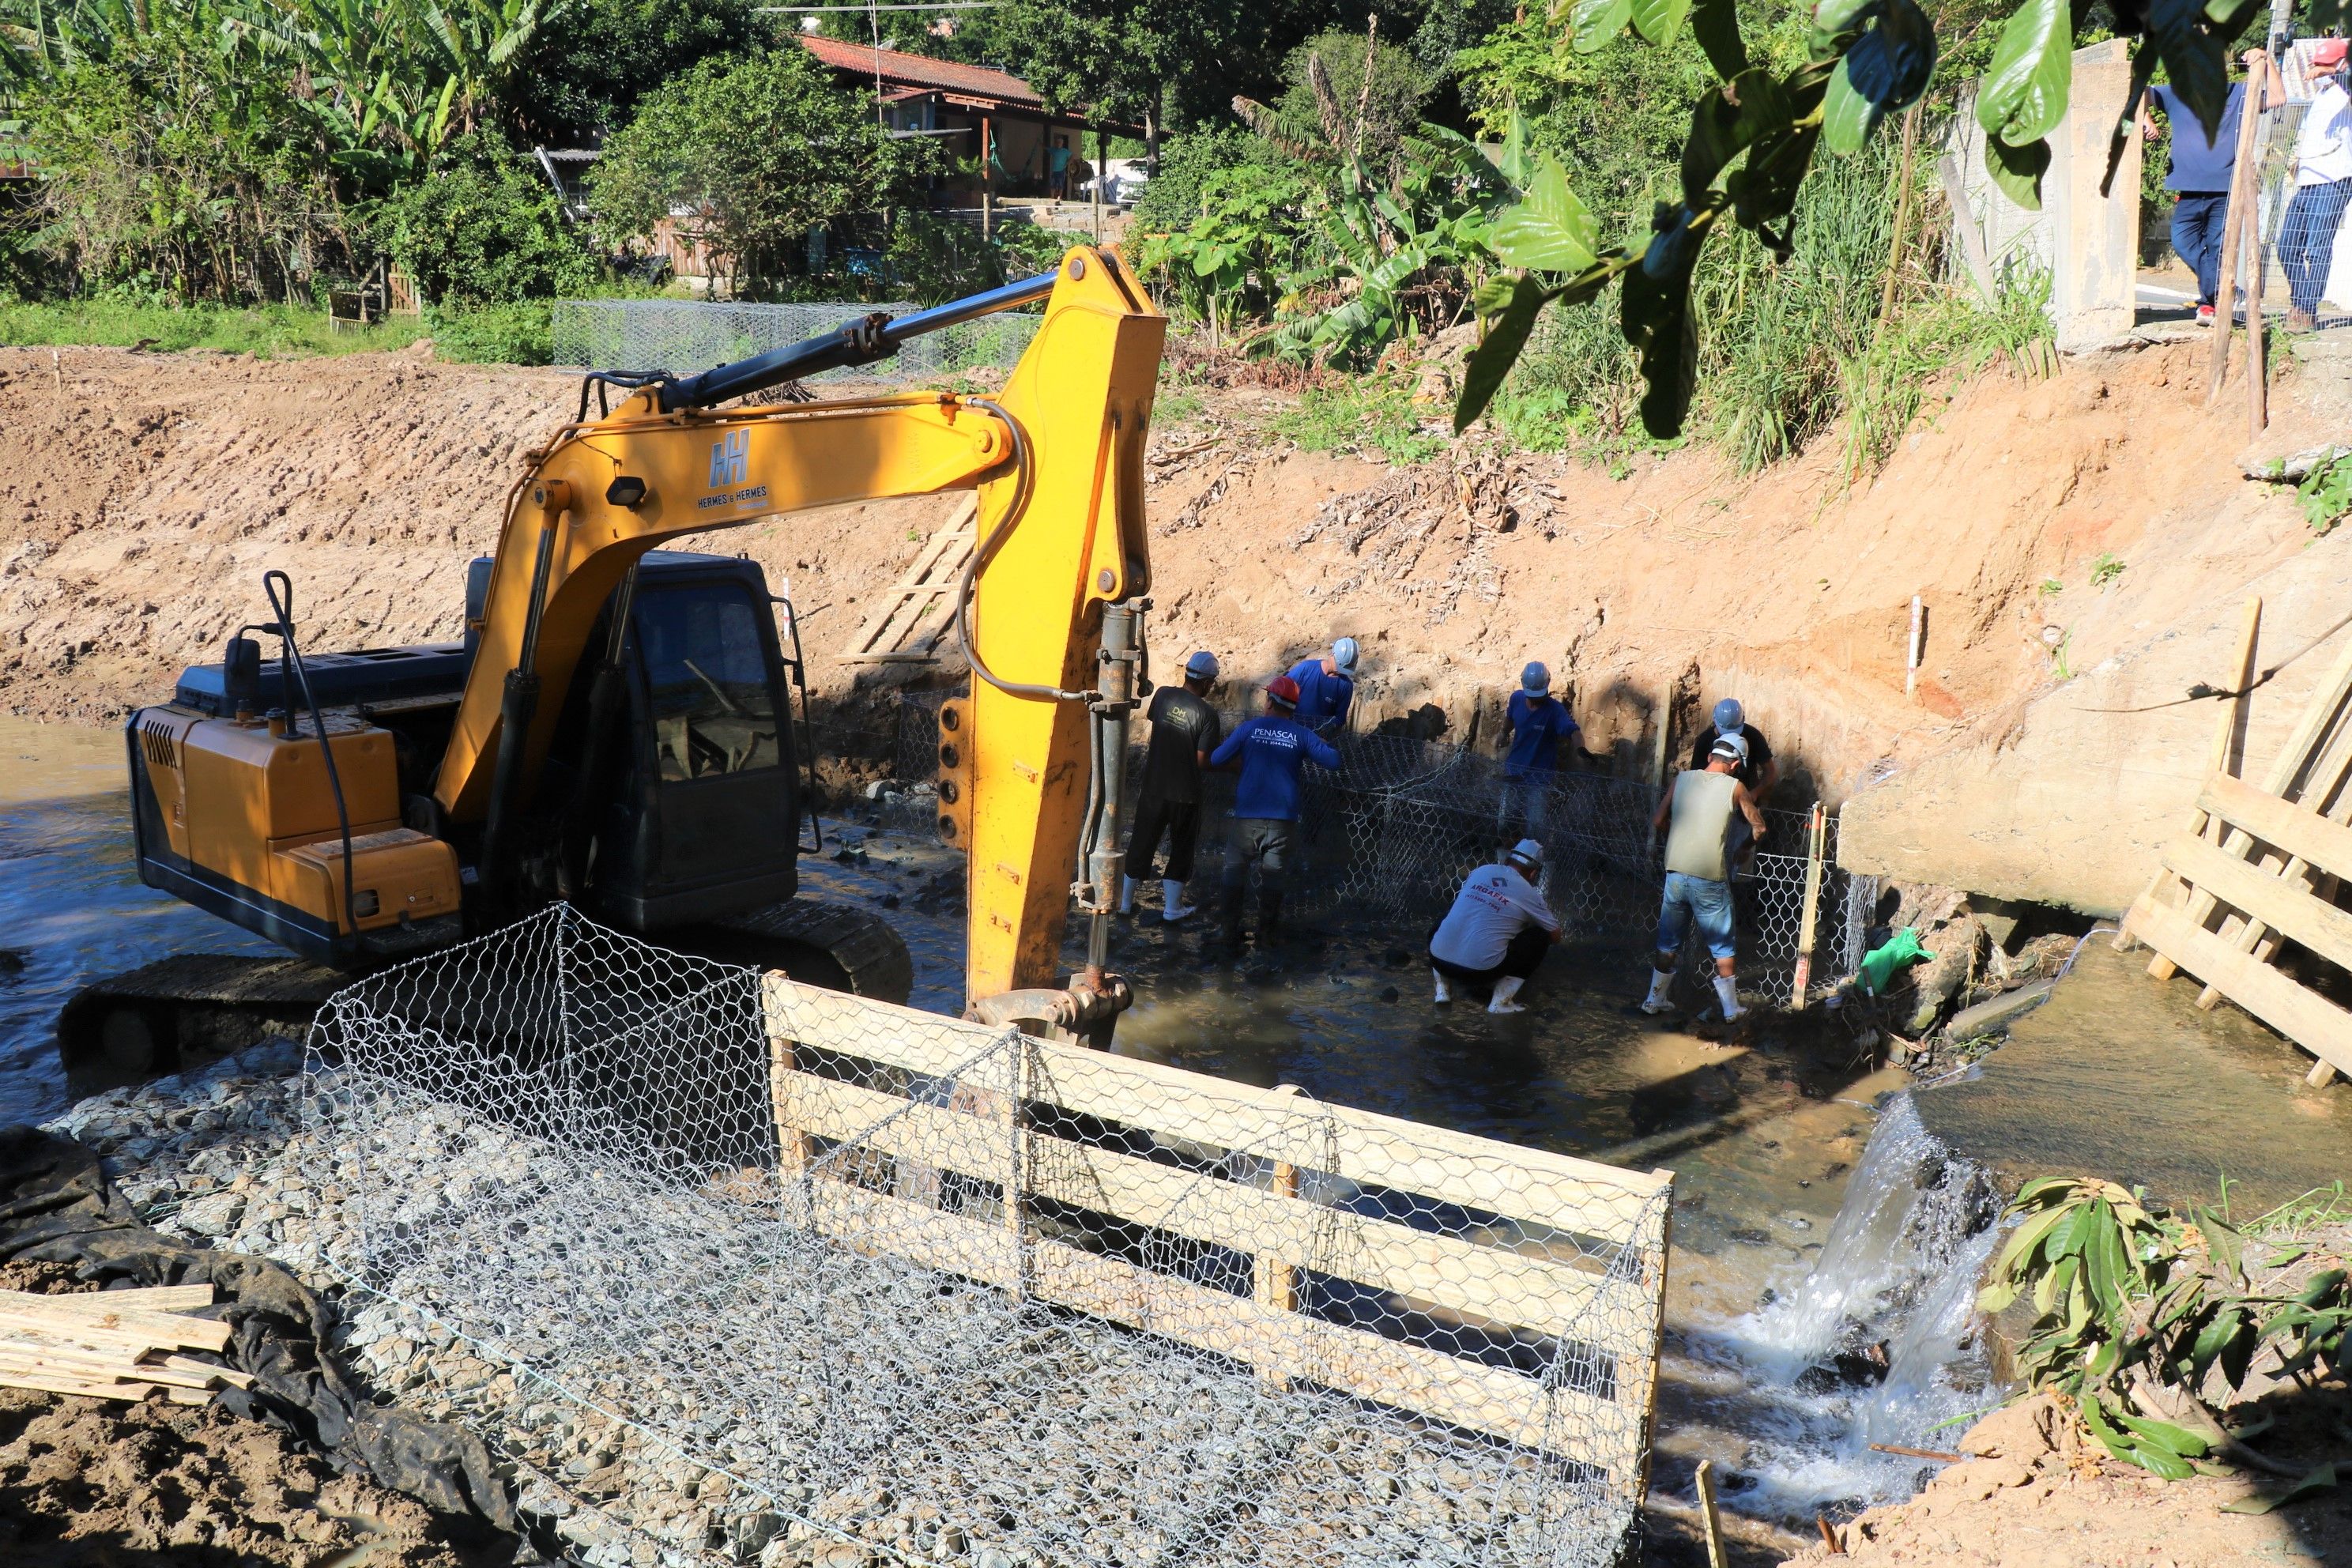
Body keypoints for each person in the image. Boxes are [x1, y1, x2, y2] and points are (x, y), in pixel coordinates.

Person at [2140, 51, 2283, 322]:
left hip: (2226, 189)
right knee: (2183, 243)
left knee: (2218, 248)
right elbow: (2136, 92)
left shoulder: (2240, 94)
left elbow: (2278, 98)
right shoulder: (2176, 94)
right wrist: (2146, 118)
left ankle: (2210, 304)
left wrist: (2268, 62)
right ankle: (2221, 290)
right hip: (2188, 190)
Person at [1208, 674, 1341, 948]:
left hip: (1247, 819)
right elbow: (1334, 761)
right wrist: (1317, 743)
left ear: (1269, 701)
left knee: (1234, 870)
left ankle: (1228, 932)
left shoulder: (1249, 729)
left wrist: (1247, 760)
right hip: (1283, 823)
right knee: (1274, 877)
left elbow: (1216, 758)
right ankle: (1266, 936)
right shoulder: (1301, 735)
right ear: (1293, 708)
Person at [1645, 733, 1769, 1021]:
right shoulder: (1736, 787)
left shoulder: (1682, 779)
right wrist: (1743, 848)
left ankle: (1654, 1000)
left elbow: (1658, 820)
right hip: (1709, 876)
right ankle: (1730, 1008)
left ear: (1711, 756)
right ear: (1736, 763)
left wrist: (1677, 837)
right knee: (1722, 944)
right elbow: (1759, 828)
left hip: (1675, 872)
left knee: (1668, 941)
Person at [1120, 650, 1224, 922]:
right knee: (1181, 849)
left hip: (1153, 787)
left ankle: (1125, 903)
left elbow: (1160, 724)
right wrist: (1231, 765)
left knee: (1142, 842)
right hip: (1185, 795)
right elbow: (1202, 761)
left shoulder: (1163, 695)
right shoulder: (1208, 714)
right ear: (1206, 682)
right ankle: (1172, 909)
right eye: (1211, 683)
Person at [1429, 840, 1562, 1015]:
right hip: (1480, 973)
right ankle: (1501, 1003)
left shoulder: (1482, 870)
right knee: (1540, 937)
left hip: (1437, 960)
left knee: (1451, 917)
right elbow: (1555, 936)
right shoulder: (1530, 894)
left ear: (1507, 860)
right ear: (1534, 873)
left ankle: (1442, 990)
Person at [2282, 40, 2352, 334]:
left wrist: (2329, 72)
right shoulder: (2322, 96)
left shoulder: (2344, 91)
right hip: (2307, 180)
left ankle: (2307, 312)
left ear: (2342, 64)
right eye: (2317, 63)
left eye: (2326, 63)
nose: (2316, 69)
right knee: (2286, 247)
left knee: (2317, 248)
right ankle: (2301, 302)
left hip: (2333, 180)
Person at [1500, 661, 1580, 841]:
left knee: (1535, 829)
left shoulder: (1555, 711)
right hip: (1514, 772)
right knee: (1505, 823)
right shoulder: (1517, 699)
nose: (1535, 699)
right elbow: (1510, 718)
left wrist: (1581, 748)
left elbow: (1573, 731)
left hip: (1539, 781)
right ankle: (1504, 863)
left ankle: (1535, 866)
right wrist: (1503, 733)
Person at [1284, 638, 1359, 738]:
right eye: (1340, 666)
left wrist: (1327, 728)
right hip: (1291, 732)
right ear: (1332, 655)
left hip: (1317, 738)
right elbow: (1282, 689)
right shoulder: (1306, 669)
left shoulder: (1345, 685)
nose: (1341, 671)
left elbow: (1340, 718)